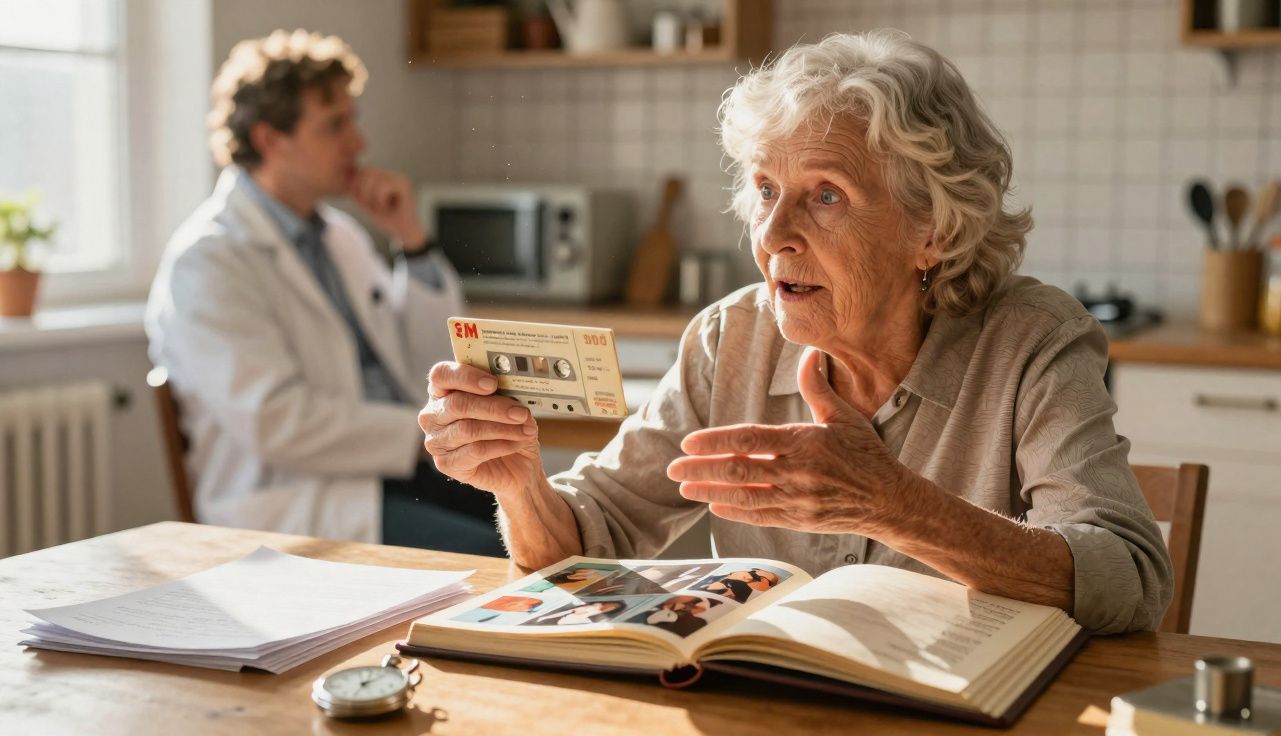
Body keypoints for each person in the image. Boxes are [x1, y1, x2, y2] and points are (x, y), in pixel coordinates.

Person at [419, 31, 1173, 634]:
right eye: (766, 189)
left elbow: (1132, 579)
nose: (773, 233)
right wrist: (520, 485)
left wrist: (892, 503)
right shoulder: (731, 339)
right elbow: (588, 539)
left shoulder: (1032, 343)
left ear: (934, 231)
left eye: (826, 196)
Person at [146, 30, 501, 553]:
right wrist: (425, 433)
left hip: (396, 473)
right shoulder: (209, 261)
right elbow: (277, 421)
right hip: (296, 502)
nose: (358, 143)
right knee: (501, 553)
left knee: (561, 523)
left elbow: (427, 359)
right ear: (270, 139)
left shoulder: (341, 236)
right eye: (335, 125)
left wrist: (410, 238)